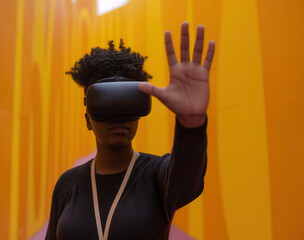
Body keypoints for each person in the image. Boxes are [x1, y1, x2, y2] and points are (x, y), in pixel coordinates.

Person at [46, 22, 215, 240]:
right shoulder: (68, 185)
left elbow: (187, 178)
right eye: (106, 106)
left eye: (127, 105)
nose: (118, 116)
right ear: (88, 119)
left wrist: (192, 123)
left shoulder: (156, 175)